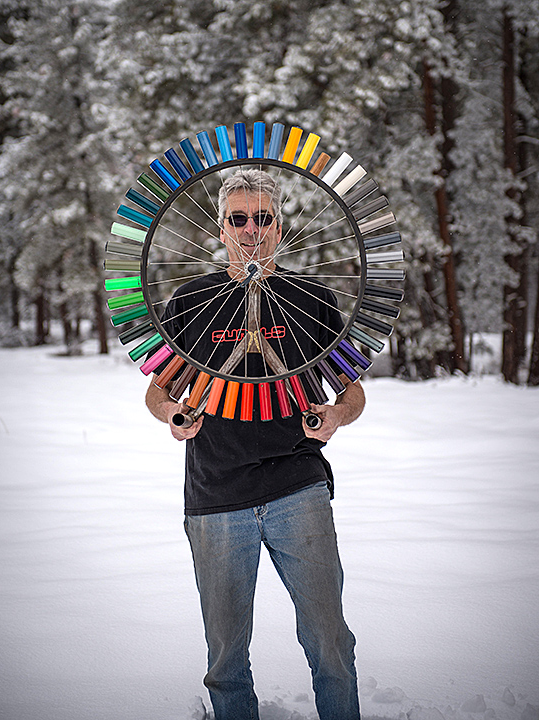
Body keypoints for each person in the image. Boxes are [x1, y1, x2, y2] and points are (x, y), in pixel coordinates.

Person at [145, 169, 365, 720]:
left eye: (262, 218)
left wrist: (335, 415)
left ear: (279, 225)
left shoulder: (312, 300)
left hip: (298, 486)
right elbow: (157, 390)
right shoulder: (192, 299)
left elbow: (352, 390)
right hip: (217, 495)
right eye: (238, 219)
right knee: (225, 657)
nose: (250, 229)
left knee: (330, 642)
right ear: (221, 228)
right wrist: (173, 415)